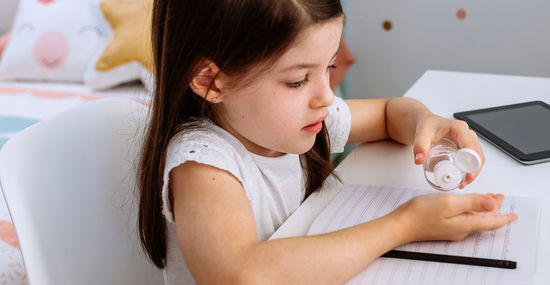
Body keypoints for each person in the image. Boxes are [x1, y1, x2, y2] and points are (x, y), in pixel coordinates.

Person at [136, 0, 518, 283]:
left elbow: (389, 113)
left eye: (330, 67)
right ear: (211, 82)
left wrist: (427, 122)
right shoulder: (203, 163)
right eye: (297, 80)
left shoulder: (295, 119)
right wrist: (405, 225)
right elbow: (241, 276)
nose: (325, 95)